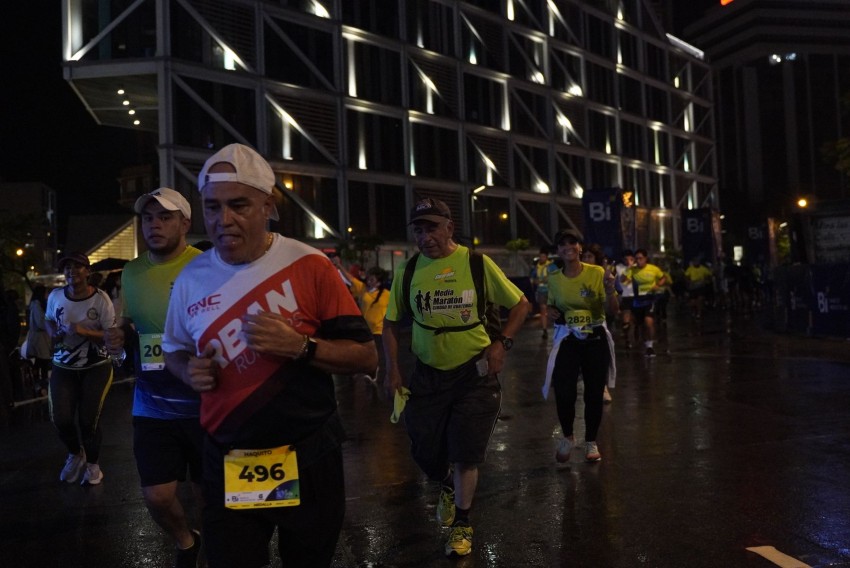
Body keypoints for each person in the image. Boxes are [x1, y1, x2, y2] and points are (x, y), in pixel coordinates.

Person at [162, 143, 377, 568]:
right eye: (212, 207)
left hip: (309, 453)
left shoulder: (310, 264)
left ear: (268, 206)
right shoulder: (190, 277)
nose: (223, 219)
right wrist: (188, 371)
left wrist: (301, 347)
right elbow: (173, 350)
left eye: (238, 205)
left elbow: (366, 357)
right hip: (229, 455)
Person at [382, 197, 531, 558]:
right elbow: (390, 323)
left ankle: (462, 523)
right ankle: (446, 484)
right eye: (419, 230)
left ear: (450, 227)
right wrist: (392, 368)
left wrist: (502, 343)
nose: (425, 236)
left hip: (473, 374)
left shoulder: (476, 263)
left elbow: (521, 304)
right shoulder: (409, 270)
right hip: (427, 375)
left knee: (465, 451)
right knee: (424, 450)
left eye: (432, 228)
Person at [104, 187, 205, 568]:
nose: (154, 225)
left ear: (185, 223)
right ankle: (187, 542)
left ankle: (211, 548)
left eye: (165, 217)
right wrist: (119, 333)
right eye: (148, 218)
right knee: (157, 496)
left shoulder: (205, 267)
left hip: (203, 402)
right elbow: (128, 320)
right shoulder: (131, 272)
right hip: (152, 402)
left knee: (208, 494)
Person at [542, 230, 618, 463]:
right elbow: (551, 306)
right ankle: (567, 436)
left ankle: (591, 441)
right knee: (564, 391)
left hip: (595, 339)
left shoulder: (597, 272)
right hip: (567, 339)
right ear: (558, 250)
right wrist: (551, 311)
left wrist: (609, 289)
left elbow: (613, 310)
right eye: (562, 244)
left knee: (594, 393)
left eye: (572, 242)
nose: (568, 247)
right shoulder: (554, 277)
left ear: (580, 247)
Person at [45, 252, 116, 485]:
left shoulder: (101, 299)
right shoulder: (56, 296)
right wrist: (53, 332)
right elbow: (48, 318)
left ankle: (93, 466)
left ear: (88, 271)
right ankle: (75, 453)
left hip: (95, 366)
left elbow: (111, 336)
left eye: (77, 267)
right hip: (63, 366)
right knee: (60, 419)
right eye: (67, 267)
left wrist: (83, 331)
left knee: (88, 422)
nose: (71, 271)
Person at [332, 259, 390, 387]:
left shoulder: (387, 295)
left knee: (378, 355)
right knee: (365, 354)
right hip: (365, 329)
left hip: (379, 330)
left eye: (372, 279)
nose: (369, 281)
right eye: (369, 278)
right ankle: (369, 375)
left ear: (379, 282)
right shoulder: (363, 289)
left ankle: (376, 377)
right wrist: (339, 266)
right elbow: (350, 279)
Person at [622, 249, 666, 357]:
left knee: (648, 321)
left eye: (640, 258)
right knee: (640, 324)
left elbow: (663, 278)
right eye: (636, 258)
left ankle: (650, 346)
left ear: (646, 258)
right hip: (638, 300)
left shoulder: (653, 269)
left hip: (650, 299)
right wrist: (628, 268)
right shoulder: (632, 269)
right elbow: (623, 280)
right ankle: (645, 342)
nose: (638, 260)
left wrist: (658, 285)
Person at [25, 284, 52, 396]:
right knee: (42, 361)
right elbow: (40, 322)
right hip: (40, 339)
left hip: (41, 339)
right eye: (46, 293)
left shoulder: (37, 305)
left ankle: (40, 385)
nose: (47, 295)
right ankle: (39, 385)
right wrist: (50, 323)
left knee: (41, 361)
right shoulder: (37, 305)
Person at [530, 247, 554, 338]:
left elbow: (558, 276)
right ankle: (544, 330)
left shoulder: (551, 266)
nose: (541, 258)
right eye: (540, 256)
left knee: (553, 310)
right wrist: (535, 281)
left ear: (546, 257)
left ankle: (558, 327)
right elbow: (531, 278)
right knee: (543, 310)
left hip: (551, 291)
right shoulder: (536, 268)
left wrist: (550, 279)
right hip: (541, 291)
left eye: (543, 256)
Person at [614, 250, 635, 348]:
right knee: (626, 318)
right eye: (626, 259)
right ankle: (627, 338)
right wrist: (630, 267)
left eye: (630, 258)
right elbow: (623, 280)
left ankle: (635, 334)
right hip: (625, 295)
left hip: (637, 295)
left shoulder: (637, 267)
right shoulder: (619, 267)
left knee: (635, 319)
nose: (628, 260)